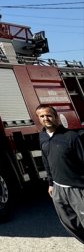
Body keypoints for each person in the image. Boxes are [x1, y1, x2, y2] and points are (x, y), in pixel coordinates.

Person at [36, 104, 84, 244]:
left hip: (78, 188)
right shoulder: (43, 136)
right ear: (38, 119)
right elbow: (46, 160)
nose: (46, 118)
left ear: (56, 117)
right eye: (42, 116)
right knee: (69, 223)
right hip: (58, 189)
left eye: (49, 115)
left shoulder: (71, 137)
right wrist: (51, 184)